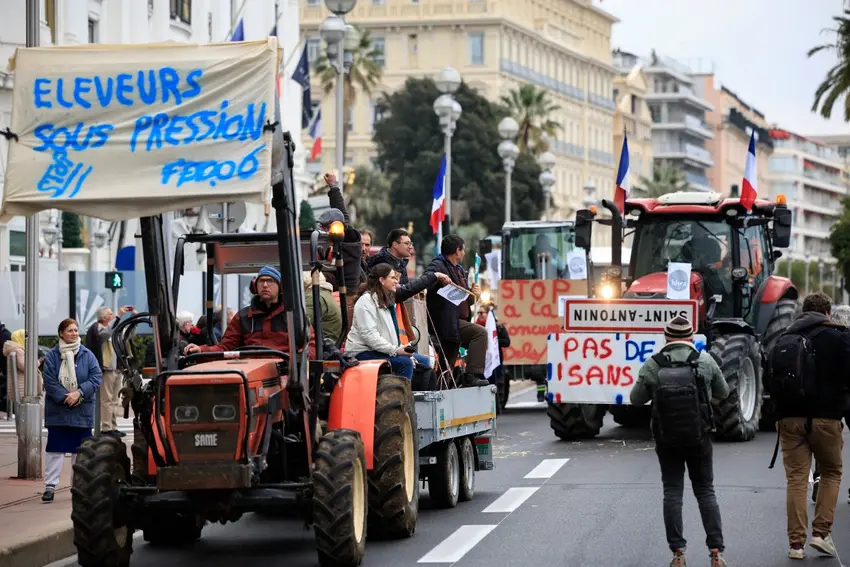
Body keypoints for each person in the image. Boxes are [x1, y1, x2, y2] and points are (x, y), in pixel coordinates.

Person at [630, 315, 729, 567]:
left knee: (672, 492)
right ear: (691, 337)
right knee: (706, 491)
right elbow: (724, 392)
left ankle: (678, 554)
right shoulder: (704, 360)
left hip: (666, 439)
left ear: (666, 338)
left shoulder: (654, 364)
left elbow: (636, 399)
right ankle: (716, 553)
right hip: (700, 436)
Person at [766, 292, 850, 560]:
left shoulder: (783, 339)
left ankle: (795, 545)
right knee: (831, 472)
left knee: (797, 479)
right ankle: (821, 534)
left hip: (789, 420)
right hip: (827, 419)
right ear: (827, 313)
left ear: (803, 312)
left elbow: (770, 380)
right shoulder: (839, 338)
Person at [184, 265, 315, 358]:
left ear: (280, 287)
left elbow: (310, 347)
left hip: (283, 373)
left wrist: (300, 361)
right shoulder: (243, 317)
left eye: (270, 281)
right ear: (255, 286)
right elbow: (225, 347)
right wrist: (201, 349)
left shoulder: (293, 316)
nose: (265, 285)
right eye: (261, 281)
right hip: (248, 371)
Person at [42, 318, 102, 503]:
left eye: (76, 330)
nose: (74, 333)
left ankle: (79, 486)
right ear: (61, 333)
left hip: (81, 410)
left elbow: (96, 377)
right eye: (70, 330)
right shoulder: (52, 356)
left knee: (80, 451)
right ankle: (50, 487)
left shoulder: (87, 354)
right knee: (55, 449)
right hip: (59, 410)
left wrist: (80, 393)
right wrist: (65, 397)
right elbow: (49, 380)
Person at [345, 264, 431, 380]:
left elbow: (390, 335)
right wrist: (395, 351)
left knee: (425, 361)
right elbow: (369, 336)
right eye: (392, 278)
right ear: (382, 280)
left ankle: (417, 395)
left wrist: (402, 349)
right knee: (405, 363)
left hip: (380, 349)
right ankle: (401, 396)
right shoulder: (365, 301)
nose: (396, 281)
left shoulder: (386, 300)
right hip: (362, 352)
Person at [425, 234, 489, 388]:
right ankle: (471, 375)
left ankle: (440, 393)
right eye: (463, 250)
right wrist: (437, 277)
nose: (465, 253)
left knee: (446, 367)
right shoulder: (438, 266)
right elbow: (427, 279)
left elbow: (463, 301)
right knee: (480, 333)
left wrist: (475, 296)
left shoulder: (458, 270)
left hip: (454, 325)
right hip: (447, 323)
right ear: (457, 251)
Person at [810, 303, 850, 505]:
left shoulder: (823, 337)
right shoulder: (845, 339)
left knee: (824, 443)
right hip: (847, 397)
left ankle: (818, 476)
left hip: (828, 401)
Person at [86, 305, 135, 437]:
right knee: (106, 400)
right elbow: (107, 333)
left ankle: (113, 426)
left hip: (117, 369)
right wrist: (119, 316)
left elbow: (127, 334)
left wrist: (133, 318)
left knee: (114, 400)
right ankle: (107, 428)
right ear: (104, 317)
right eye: (111, 314)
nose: (113, 316)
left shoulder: (114, 328)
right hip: (106, 369)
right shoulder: (98, 329)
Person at [369, 228, 450, 302]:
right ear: (395, 244)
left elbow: (405, 287)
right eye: (407, 243)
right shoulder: (381, 263)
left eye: (411, 243)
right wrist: (433, 276)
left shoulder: (400, 262)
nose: (411, 247)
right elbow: (401, 291)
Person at [318, 172, 363, 293]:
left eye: (328, 227)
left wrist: (334, 188)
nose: (325, 231)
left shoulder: (350, 239)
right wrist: (332, 186)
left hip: (348, 296)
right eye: (323, 227)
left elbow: (342, 213)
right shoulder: (320, 243)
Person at [303, 270, 343, 344]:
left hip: (320, 346)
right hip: (328, 342)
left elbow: (302, 325)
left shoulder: (313, 297)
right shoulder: (323, 294)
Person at [3, 329, 42, 401]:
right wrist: (38, 362)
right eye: (25, 337)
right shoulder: (18, 350)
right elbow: (25, 367)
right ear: (20, 337)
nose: (27, 340)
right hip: (22, 388)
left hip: (19, 386)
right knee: (24, 410)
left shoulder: (14, 349)